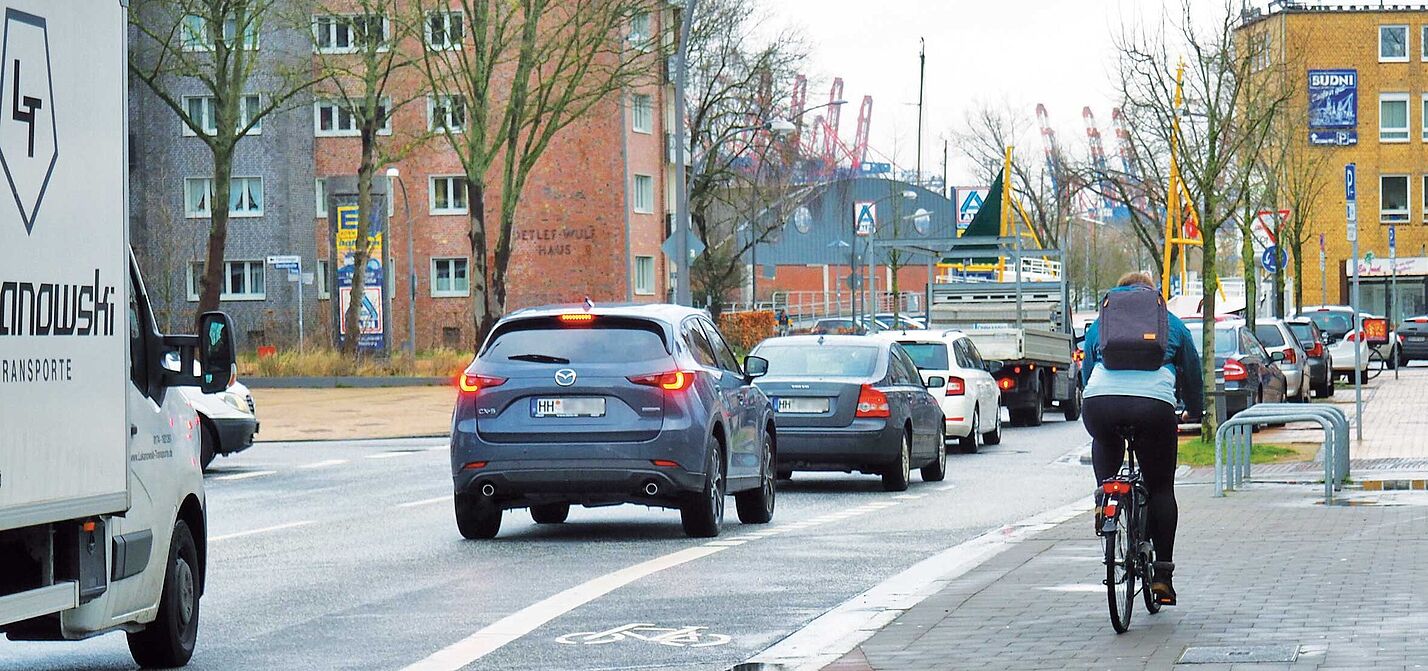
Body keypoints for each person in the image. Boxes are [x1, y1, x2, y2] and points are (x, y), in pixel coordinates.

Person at [1080, 271, 1203, 606]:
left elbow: (1087, 369)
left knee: (1105, 442)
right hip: (1153, 409)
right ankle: (1162, 576)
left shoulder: (1102, 321)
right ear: (1153, 294)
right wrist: (1196, 410)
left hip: (1100, 405)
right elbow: (1192, 371)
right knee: (1161, 488)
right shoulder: (1170, 322)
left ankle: (1105, 497)